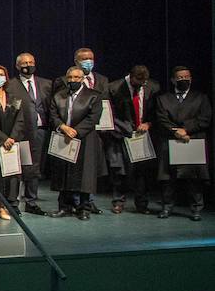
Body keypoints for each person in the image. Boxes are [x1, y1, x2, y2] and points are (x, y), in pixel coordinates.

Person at [47, 66, 104, 221]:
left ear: (82, 79)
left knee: (84, 174)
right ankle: (64, 207)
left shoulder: (93, 96)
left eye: (76, 78)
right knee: (63, 173)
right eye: (70, 78)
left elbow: (94, 117)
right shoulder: (59, 96)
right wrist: (63, 127)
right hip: (64, 137)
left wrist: (76, 131)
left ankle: (84, 208)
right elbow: (52, 114)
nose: (73, 80)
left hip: (85, 139)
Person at [155, 66, 210, 221]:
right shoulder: (163, 98)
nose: (184, 80)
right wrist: (175, 131)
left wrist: (186, 130)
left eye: (187, 77)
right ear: (173, 80)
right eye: (180, 77)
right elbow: (161, 119)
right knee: (168, 178)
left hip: (192, 141)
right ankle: (167, 207)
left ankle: (196, 209)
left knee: (194, 178)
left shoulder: (200, 97)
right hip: (170, 140)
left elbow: (205, 118)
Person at [109, 65, 160, 215]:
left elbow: (157, 111)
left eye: (144, 82)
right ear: (130, 77)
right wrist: (125, 129)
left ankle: (142, 203)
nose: (141, 84)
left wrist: (148, 123)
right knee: (120, 171)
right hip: (122, 134)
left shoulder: (153, 87)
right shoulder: (114, 88)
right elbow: (110, 113)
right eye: (138, 81)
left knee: (142, 172)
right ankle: (118, 201)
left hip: (143, 135)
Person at [6, 53, 51, 215]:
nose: (28, 64)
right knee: (19, 168)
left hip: (40, 132)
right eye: (24, 62)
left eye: (31, 62)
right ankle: (13, 202)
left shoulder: (46, 84)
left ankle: (31, 201)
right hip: (21, 133)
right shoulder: (10, 85)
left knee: (35, 168)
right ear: (18, 66)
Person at [0, 65, 26, 219]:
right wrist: (2, 139)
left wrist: (12, 138)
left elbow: (20, 120)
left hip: (11, 144)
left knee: (8, 176)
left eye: (2, 74)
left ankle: (3, 207)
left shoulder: (14, 98)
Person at [74, 47, 110, 215]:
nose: (88, 62)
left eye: (90, 58)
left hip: (97, 131)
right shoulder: (68, 79)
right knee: (75, 168)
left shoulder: (102, 80)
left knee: (92, 168)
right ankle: (75, 201)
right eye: (84, 59)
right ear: (76, 61)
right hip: (74, 131)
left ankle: (89, 201)